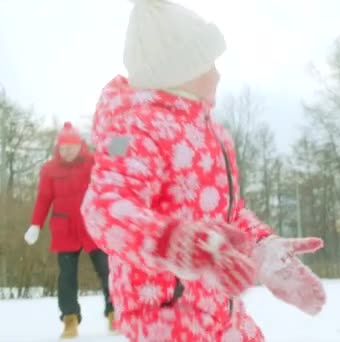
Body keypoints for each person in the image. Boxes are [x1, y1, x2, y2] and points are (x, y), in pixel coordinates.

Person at [79, 0, 327, 341]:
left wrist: (260, 244)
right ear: (179, 71)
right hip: (165, 312)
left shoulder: (211, 134)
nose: (217, 73)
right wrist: (177, 243)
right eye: (207, 63)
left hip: (219, 305)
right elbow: (104, 207)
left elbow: (228, 213)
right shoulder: (130, 130)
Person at [24, 122, 114, 339]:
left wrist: (124, 133)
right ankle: (70, 319)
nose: (68, 151)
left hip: (92, 226)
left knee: (107, 271)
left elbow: (115, 154)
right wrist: (36, 224)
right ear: (58, 148)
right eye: (64, 147)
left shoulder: (93, 161)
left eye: (71, 147)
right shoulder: (49, 169)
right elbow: (44, 198)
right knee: (67, 278)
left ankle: (115, 312)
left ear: (79, 145)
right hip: (64, 228)